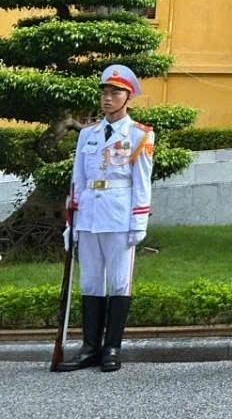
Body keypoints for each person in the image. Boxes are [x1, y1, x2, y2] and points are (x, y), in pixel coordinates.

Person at [59, 65, 154, 373]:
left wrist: (138, 222)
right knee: (90, 281)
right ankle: (90, 347)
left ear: (128, 97)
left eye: (115, 93)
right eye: (104, 92)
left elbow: (142, 181)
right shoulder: (88, 134)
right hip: (88, 215)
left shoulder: (139, 134)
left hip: (118, 216)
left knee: (119, 281)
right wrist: (72, 221)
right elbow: (78, 178)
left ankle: (112, 347)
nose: (108, 98)